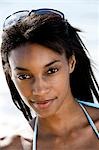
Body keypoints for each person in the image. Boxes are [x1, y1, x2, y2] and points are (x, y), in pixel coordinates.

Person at [0, 8, 99, 150]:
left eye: (51, 71)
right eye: (24, 76)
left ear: (71, 63)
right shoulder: (12, 147)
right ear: (10, 74)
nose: (39, 89)